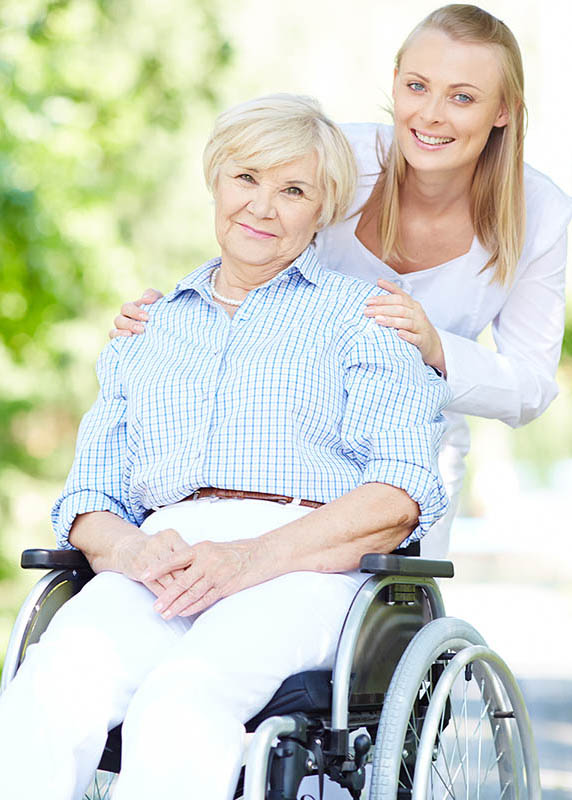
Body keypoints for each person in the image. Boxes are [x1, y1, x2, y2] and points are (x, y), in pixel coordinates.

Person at [0, 94, 450, 800]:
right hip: (160, 559)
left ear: (322, 208)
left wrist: (248, 560)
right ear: (216, 181)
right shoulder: (148, 329)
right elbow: (88, 497)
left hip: (303, 564)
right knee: (48, 688)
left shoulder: (364, 320)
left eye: (293, 189)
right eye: (246, 178)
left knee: (183, 700)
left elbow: (397, 496)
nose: (263, 207)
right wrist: (129, 552)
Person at [112, 4, 572, 559]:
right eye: (417, 86)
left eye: (463, 97)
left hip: (407, 454)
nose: (430, 115)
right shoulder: (341, 158)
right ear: (396, 82)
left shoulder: (540, 212)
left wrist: (434, 348)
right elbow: (253, 239)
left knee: (387, 624)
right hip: (283, 437)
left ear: (504, 111)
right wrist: (175, 319)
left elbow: (529, 386)